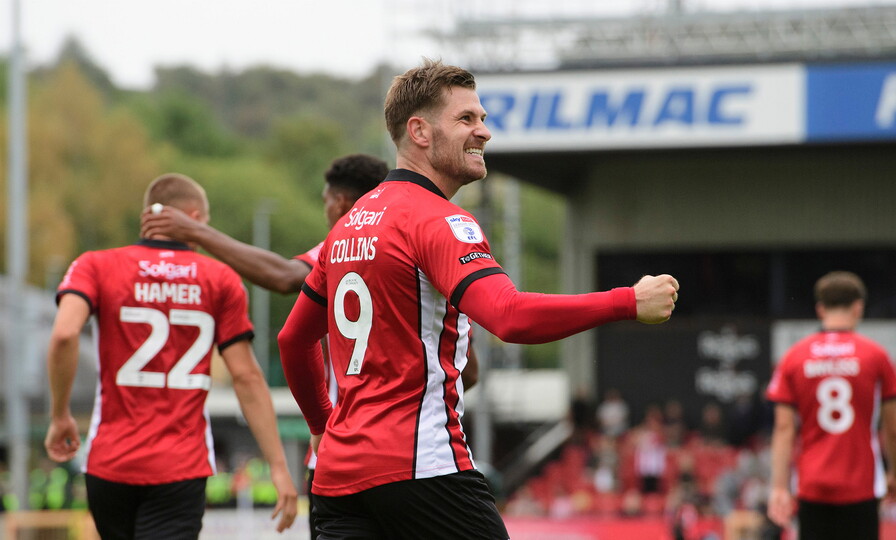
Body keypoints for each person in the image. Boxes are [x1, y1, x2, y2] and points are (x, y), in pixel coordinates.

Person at [277, 59, 679, 539]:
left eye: (482, 119)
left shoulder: (348, 225)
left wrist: (327, 427)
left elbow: (292, 340)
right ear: (420, 131)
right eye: (466, 119)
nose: (484, 132)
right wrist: (627, 302)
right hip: (423, 470)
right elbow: (509, 318)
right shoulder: (439, 221)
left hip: (338, 480)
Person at [140, 154, 480, 536]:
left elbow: (286, 281)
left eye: (324, 201)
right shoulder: (422, 247)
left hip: (339, 456)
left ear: (340, 203)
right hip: (419, 457)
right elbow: (469, 367)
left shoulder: (342, 247)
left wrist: (199, 233)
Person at [45, 173, 298, 539]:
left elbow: (65, 333)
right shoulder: (220, 278)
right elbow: (246, 377)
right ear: (194, 219)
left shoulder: (96, 265)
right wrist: (277, 465)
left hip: (110, 462)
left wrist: (60, 415)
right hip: (181, 464)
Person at [766, 271, 896, 540]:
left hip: (812, 485)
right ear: (858, 307)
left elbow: (784, 429)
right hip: (861, 486)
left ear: (820, 309)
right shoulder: (876, 356)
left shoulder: (794, 357)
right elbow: (894, 429)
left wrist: (779, 488)